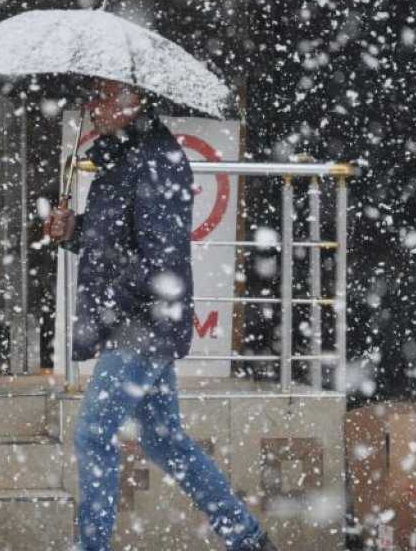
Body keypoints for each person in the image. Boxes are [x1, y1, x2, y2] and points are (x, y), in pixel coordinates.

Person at [47, 78, 277, 551]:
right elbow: (118, 238)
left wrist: (116, 301)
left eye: (103, 97)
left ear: (134, 102)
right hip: (138, 318)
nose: (93, 107)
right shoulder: (119, 157)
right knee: (163, 440)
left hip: (143, 322)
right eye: (91, 97)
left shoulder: (154, 160)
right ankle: (249, 540)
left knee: (93, 433)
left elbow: (160, 257)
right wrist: (74, 231)